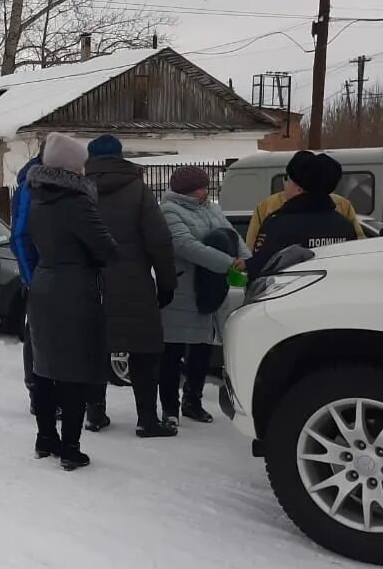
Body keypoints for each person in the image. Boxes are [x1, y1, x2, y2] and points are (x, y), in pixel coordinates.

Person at [26, 134, 118, 470]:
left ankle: (45, 438)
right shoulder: (76, 201)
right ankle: (70, 448)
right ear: (70, 165)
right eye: (81, 161)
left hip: (43, 284)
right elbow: (105, 248)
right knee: (75, 371)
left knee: (46, 367)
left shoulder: (38, 198)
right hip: (75, 290)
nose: (84, 167)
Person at [83, 135, 178, 438]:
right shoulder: (138, 190)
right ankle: (147, 419)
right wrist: (166, 283)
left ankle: (95, 413)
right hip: (135, 282)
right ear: (120, 155)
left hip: (91, 284)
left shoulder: (79, 190)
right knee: (144, 351)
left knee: (95, 347)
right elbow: (159, 241)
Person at [159, 166, 249, 429]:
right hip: (181, 289)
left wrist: (245, 258)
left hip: (210, 290)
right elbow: (185, 246)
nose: (205, 191)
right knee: (172, 352)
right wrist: (229, 262)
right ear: (186, 190)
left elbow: (232, 234)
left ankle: (193, 402)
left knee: (202, 349)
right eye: (201, 187)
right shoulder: (169, 211)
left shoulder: (211, 207)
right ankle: (169, 408)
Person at [250, 151, 363, 275]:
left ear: (299, 188)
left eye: (287, 178)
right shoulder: (344, 226)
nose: (284, 184)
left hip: (292, 293)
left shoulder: (278, 226)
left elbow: (260, 270)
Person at [9, 154, 42, 409]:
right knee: (37, 333)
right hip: (40, 275)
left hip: (61, 274)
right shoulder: (29, 187)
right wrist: (31, 277)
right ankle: (37, 392)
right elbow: (19, 237)